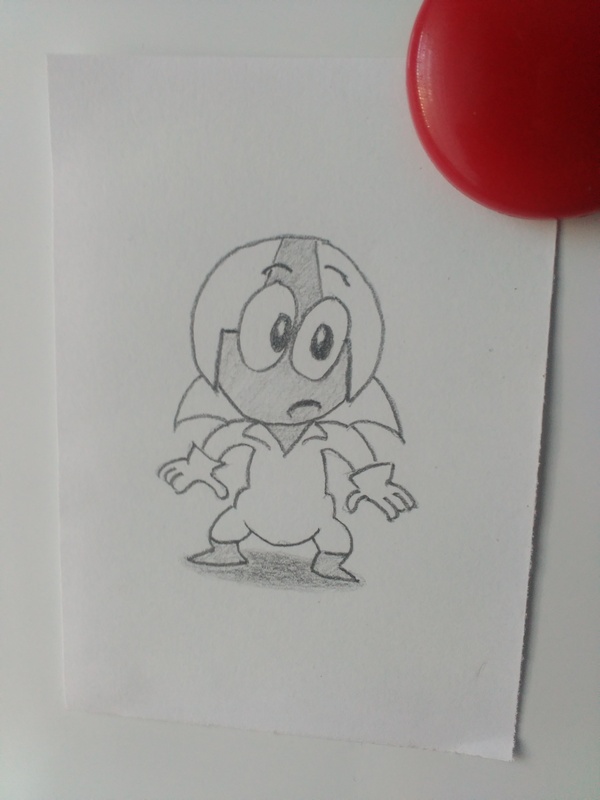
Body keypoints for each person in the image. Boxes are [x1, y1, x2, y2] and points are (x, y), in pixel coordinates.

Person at [158, 235, 416, 582]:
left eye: (322, 346)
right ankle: (224, 550)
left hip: (317, 517)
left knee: (335, 537)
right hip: (251, 511)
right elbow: (222, 440)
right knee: (229, 524)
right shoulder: (250, 431)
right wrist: (199, 468)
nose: (294, 377)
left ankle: (328, 562)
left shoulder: (325, 434)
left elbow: (353, 448)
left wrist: (372, 483)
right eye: (274, 338)